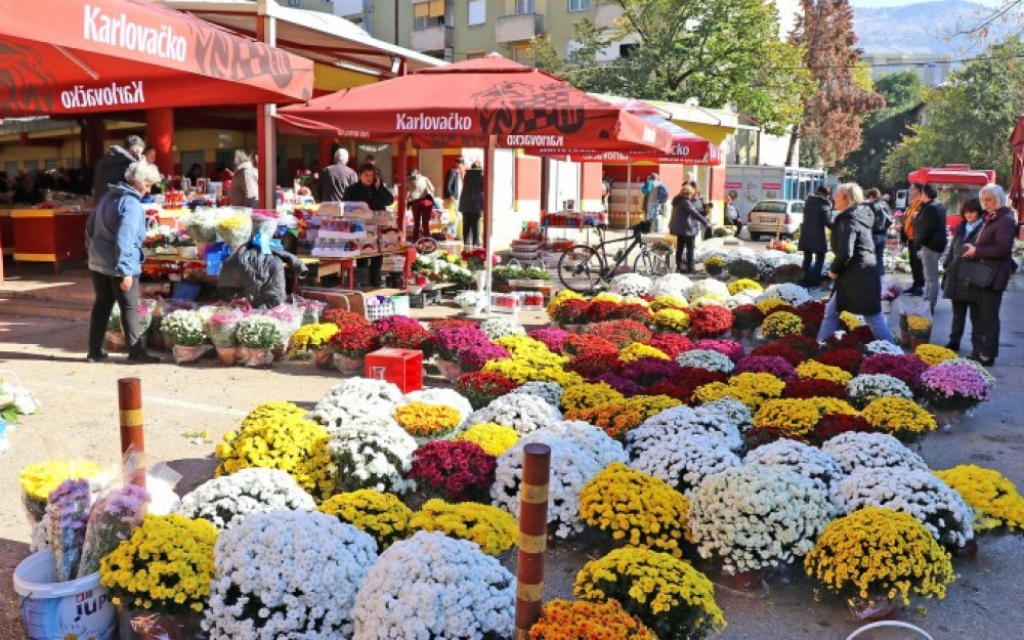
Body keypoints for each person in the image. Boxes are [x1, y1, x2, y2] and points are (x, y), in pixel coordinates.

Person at [85, 161, 162, 364]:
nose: (149, 190)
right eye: (147, 185)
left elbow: (90, 228)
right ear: (137, 183)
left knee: (102, 304)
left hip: (98, 261)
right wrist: (126, 271)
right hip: (118, 264)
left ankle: (94, 351)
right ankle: (136, 352)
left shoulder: (106, 197)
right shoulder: (132, 205)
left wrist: (92, 253)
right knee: (129, 306)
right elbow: (125, 239)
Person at [816, 183, 894, 344]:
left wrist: (833, 271)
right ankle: (820, 345)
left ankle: (896, 355)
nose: (833, 198)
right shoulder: (858, 215)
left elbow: (846, 251)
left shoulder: (849, 219)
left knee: (873, 317)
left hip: (858, 275)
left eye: (837, 195)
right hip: (858, 274)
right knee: (832, 311)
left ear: (845, 199)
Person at [959, 183, 1016, 367]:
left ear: (999, 199)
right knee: (978, 315)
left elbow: (1001, 249)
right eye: (984, 200)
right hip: (982, 274)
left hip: (993, 276)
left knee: (989, 317)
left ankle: (988, 355)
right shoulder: (990, 217)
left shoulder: (1005, 219)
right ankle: (979, 351)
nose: (986, 203)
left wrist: (977, 251)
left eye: (989, 200)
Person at [218, 226, 307, 309]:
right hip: (272, 301)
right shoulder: (271, 251)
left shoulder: (240, 254)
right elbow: (291, 258)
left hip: (248, 302)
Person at [941, 198, 984, 355]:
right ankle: (954, 342)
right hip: (956, 275)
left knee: (976, 317)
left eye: (972, 212)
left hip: (973, 278)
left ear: (979, 212)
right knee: (958, 314)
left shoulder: (984, 228)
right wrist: (947, 265)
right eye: (966, 212)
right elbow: (952, 247)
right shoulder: (961, 227)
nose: (969, 215)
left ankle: (977, 348)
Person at [344, 163, 395, 287]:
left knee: (377, 256)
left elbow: (390, 201)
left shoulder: (378, 188)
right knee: (362, 255)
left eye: (371, 175)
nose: (369, 177)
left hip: (378, 228)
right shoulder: (352, 189)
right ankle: (363, 281)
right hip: (360, 227)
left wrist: (380, 187)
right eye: (366, 175)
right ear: (359, 176)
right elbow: (345, 205)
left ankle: (375, 281)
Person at [913, 183, 948, 313]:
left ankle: (929, 305)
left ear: (925, 194)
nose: (918, 196)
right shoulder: (937, 205)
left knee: (931, 278)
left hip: (930, 246)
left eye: (920, 193)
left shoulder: (929, 209)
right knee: (929, 276)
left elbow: (925, 229)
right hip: (938, 245)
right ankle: (927, 300)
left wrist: (917, 245)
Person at [669, 183, 711, 274]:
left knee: (679, 249)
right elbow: (694, 213)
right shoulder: (685, 202)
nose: (692, 195)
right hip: (688, 229)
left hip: (679, 229)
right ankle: (691, 269)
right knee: (690, 249)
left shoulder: (677, 200)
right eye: (691, 193)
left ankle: (679, 267)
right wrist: (706, 222)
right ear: (689, 193)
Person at [92, 135, 145, 201]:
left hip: (99, 205)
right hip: (117, 204)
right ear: (134, 150)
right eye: (139, 153)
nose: (139, 156)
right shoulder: (130, 165)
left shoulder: (102, 161)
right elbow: (138, 188)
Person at [798, 185, 832, 288]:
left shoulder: (808, 202)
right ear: (828, 195)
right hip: (818, 237)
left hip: (806, 235)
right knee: (820, 258)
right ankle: (814, 281)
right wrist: (839, 225)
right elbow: (827, 222)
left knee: (807, 259)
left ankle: (804, 281)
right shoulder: (824, 204)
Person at [902, 183, 926, 296]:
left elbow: (919, 220)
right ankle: (915, 284)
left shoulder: (921, 203)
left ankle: (919, 286)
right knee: (913, 262)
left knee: (917, 263)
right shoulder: (912, 204)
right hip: (911, 238)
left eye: (911, 189)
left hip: (917, 238)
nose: (909, 191)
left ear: (918, 190)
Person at [865, 188, 893, 276]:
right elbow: (890, 219)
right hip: (883, 235)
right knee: (880, 257)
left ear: (871, 196)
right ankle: (881, 279)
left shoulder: (871, 206)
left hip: (873, 234)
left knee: (870, 257)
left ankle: (871, 279)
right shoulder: (885, 205)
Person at [460, 160, 484, 247]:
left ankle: (466, 244)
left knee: (466, 225)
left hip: (465, 205)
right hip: (476, 205)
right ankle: (476, 244)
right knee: (476, 226)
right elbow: (484, 189)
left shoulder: (467, 175)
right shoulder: (480, 177)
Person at [407, 169, 437, 241]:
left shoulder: (409, 180)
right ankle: (427, 241)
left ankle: (415, 240)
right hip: (426, 202)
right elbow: (432, 188)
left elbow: (408, 190)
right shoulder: (424, 178)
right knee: (425, 223)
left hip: (415, 203)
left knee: (416, 223)